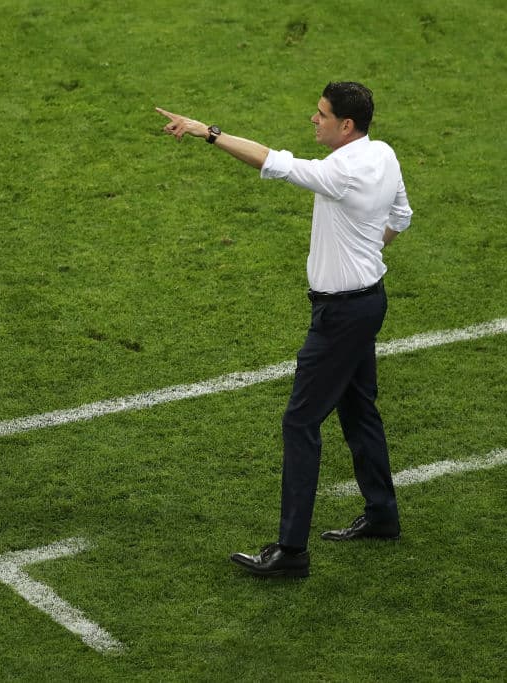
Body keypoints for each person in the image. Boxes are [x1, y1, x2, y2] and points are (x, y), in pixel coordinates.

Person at [157, 82, 413, 578]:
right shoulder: (383, 153)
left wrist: (207, 132)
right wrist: (366, 256)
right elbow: (401, 216)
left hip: (340, 317)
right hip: (368, 302)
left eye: (321, 115)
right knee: (359, 409)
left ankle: (291, 551)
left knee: (300, 423)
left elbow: (273, 162)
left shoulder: (342, 171)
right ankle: (382, 514)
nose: (312, 120)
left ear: (346, 125)